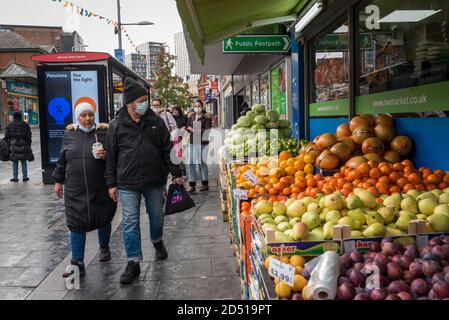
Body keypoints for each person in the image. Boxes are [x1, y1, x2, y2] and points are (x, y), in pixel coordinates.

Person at [106, 78, 184, 285]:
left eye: (145, 100)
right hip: (127, 182)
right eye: (140, 100)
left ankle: (157, 241)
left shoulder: (155, 122)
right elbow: (111, 157)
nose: (145, 104)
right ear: (129, 103)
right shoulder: (116, 125)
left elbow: (167, 149)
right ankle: (133, 262)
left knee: (156, 216)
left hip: (154, 180)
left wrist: (176, 173)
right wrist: (111, 183)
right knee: (130, 222)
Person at [52, 103, 117, 277]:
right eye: (83, 115)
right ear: (77, 117)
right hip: (75, 187)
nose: (87, 119)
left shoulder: (104, 133)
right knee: (75, 223)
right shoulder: (69, 134)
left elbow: (117, 157)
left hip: (100, 185)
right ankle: (77, 262)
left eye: (90, 115)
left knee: (103, 217)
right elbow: (62, 160)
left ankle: (104, 248)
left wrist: (107, 156)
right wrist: (58, 181)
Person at [185, 100, 212, 193]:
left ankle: (205, 184)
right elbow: (187, 125)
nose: (197, 107)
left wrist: (194, 130)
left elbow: (207, 130)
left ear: (202, 106)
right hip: (193, 142)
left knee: (202, 163)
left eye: (199, 105)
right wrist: (189, 129)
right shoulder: (191, 116)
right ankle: (192, 185)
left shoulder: (207, 116)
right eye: (195, 105)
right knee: (191, 163)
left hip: (203, 142)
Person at [5, 112, 33, 182]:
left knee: (15, 161)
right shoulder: (25, 124)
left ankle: (15, 177)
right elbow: (29, 136)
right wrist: (28, 145)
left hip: (13, 144)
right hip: (23, 144)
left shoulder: (10, 124)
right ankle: (25, 177)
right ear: (20, 116)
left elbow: (6, 136)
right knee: (23, 161)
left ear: (14, 117)